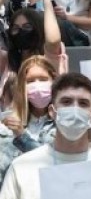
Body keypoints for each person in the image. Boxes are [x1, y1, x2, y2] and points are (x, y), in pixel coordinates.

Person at [0, 55, 57, 186]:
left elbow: (54, 164)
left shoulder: (63, 124)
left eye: (43, 79)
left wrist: (22, 137)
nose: (37, 86)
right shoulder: (7, 126)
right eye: (30, 81)